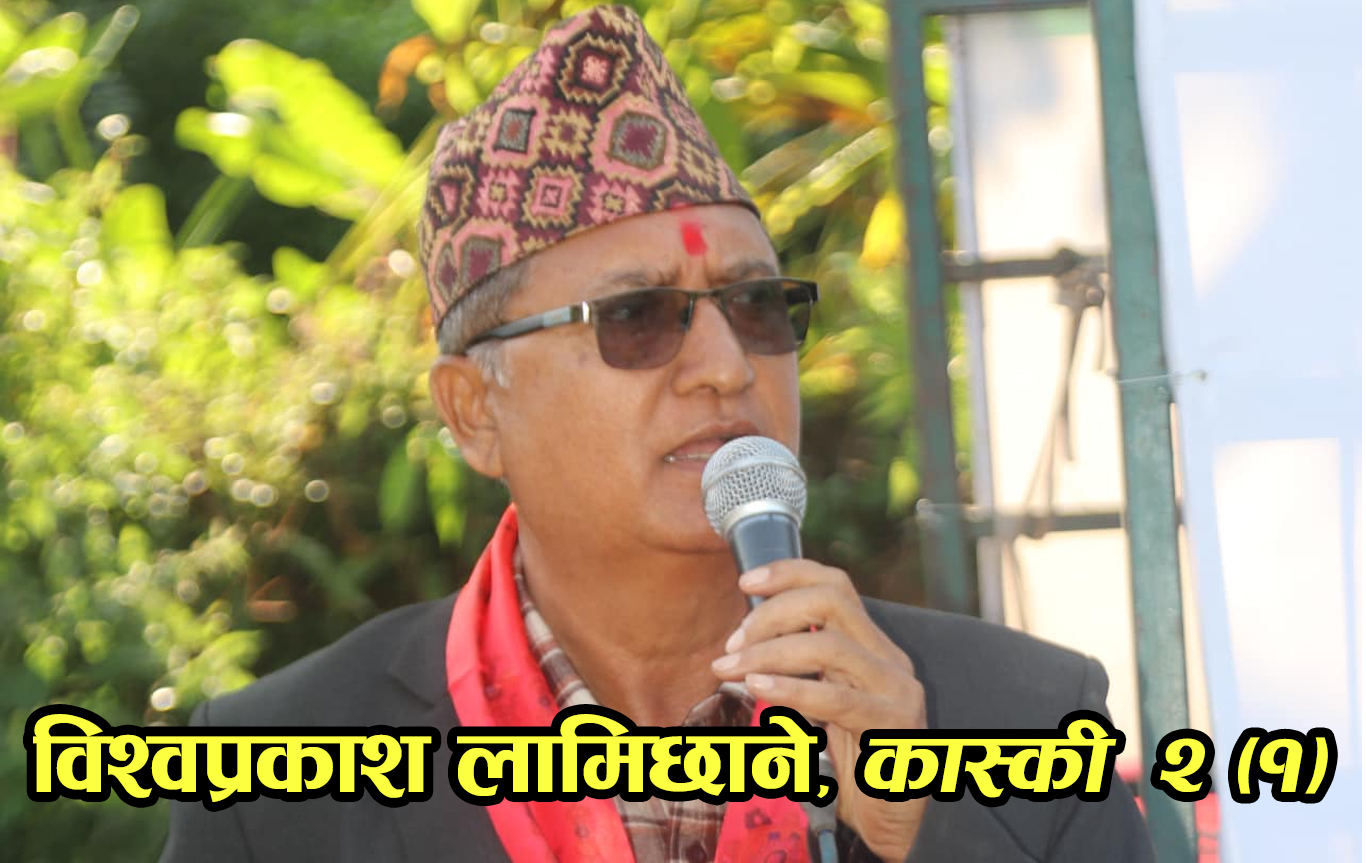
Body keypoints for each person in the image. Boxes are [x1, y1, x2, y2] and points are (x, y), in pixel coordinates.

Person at [160, 6, 1153, 861]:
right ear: (474, 410)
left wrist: (923, 830)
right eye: (636, 318)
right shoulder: (277, 776)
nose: (726, 364)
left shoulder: (1023, 718)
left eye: (756, 306)